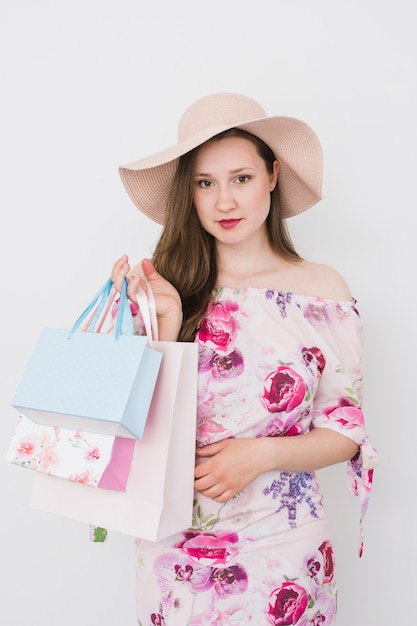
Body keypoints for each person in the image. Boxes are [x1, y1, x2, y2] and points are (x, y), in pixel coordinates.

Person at [111, 92, 378, 625]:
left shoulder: (321, 292)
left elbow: (346, 431)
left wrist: (260, 456)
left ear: (273, 175)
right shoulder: (165, 288)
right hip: (175, 546)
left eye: (241, 178)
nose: (224, 202)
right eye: (205, 184)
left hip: (285, 540)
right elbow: (140, 432)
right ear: (189, 194)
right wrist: (162, 322)